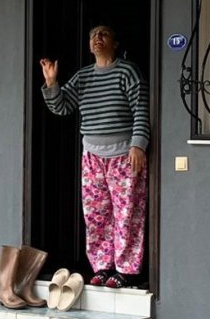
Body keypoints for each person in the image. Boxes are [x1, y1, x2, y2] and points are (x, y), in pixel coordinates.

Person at [40, 25, 149, 289]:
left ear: (115, 42)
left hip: (124, 154)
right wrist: (52, 83)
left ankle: (126, 270)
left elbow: (142, 108)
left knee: (127, 214)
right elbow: (62, 107)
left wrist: (138, 144)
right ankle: (102, 267)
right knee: (96, 214)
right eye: (92, 36)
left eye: (103, 34)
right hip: (92, 155)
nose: (97, 39)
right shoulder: (83, 76)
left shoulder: (127, 71)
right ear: (89, 46)